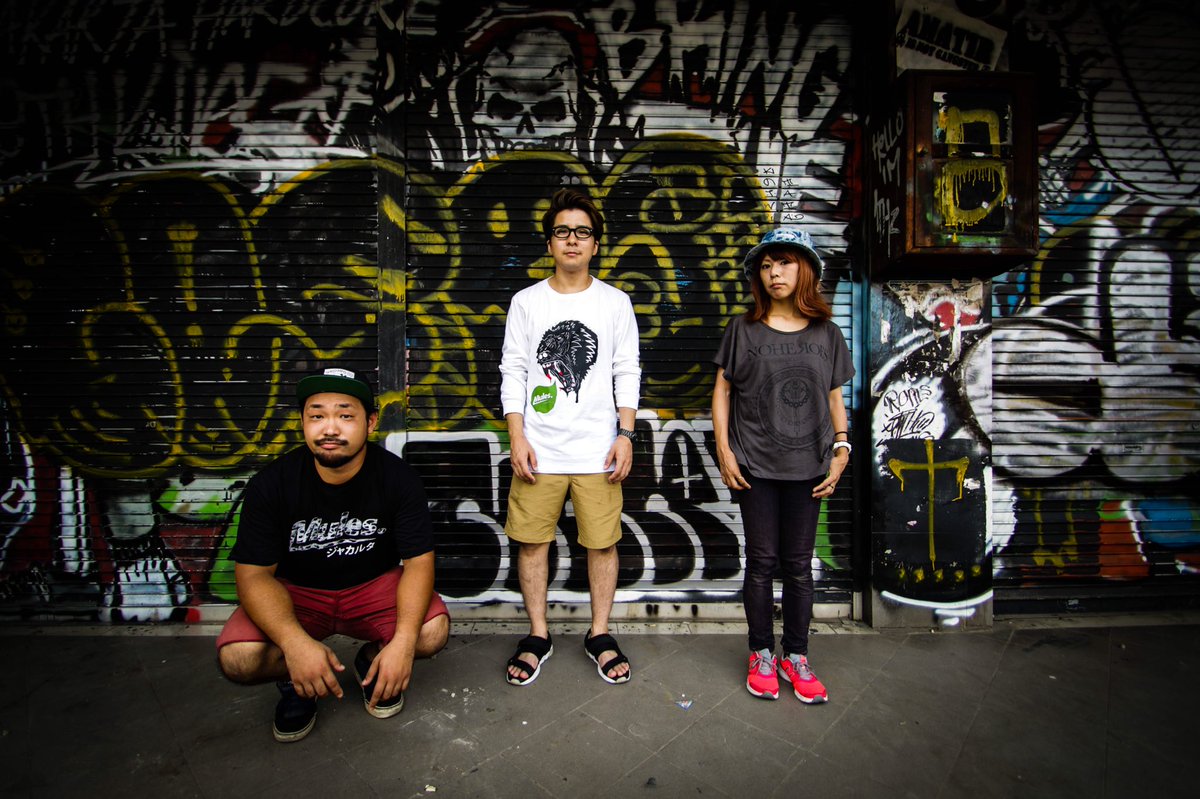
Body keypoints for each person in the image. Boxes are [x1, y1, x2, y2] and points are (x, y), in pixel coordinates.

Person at [215, 367, 450, 742]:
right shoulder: (271, 484)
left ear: (370, 422)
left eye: (345, 415)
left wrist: (403, 645)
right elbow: (253, 575)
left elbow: (419, 564)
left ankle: (372, 661)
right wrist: (294, 645)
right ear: (303, 423)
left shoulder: (399, 478)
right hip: (298, 594)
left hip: (371, 588)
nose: (330, 429)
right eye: (317, 416)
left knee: (431, 631)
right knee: (238, 658)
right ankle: (296, 679)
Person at [499, 187, 641, 686]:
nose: (573, 240)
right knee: (532, 543)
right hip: (539, 450)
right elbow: (513, 371)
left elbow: (627, 370)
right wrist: (517, 437)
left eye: (583, 232)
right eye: (563, 231)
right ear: (550, 242)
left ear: (596, 243)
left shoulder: (615, 303)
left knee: (602, 545)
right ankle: (538, 635)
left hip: (598, 452)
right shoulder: (526, 302)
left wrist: (625, 434)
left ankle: (599, 633)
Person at [711, 227, 853, 704]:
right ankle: (760, 654)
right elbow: (722, 391)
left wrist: (842, 449)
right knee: (761, 563)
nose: (774, 272)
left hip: (809, 467)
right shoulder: (743, 329)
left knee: (798, 567)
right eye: (767, 265)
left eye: (785, 263)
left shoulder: (827, 333)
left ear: (806, 270)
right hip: (755, 464)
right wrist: (724, 450)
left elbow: (834, 397)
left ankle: (796, 655)